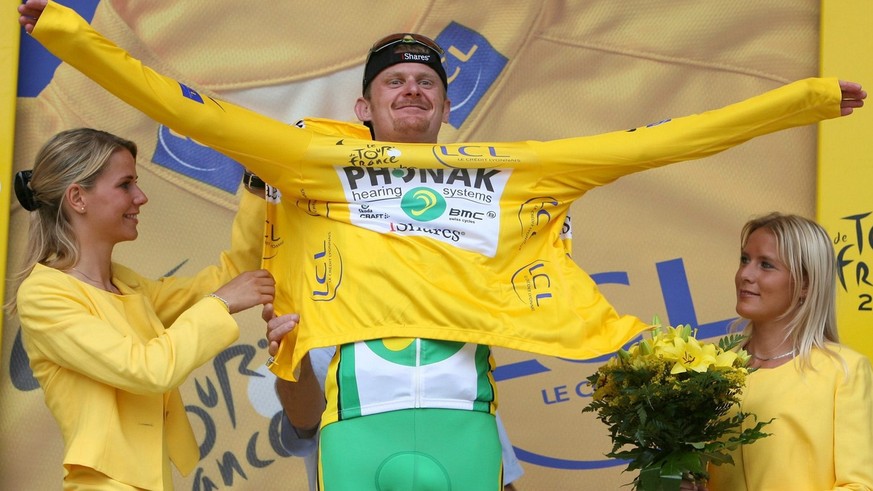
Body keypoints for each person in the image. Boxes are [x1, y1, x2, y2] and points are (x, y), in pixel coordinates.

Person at [17, 2, 866, 489]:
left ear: (444, 104)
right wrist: (63, 31)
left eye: (428, 80)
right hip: (357, 432)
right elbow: (186, 109)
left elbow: (660, 143)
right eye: (395, 81)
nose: (413, 90)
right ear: (368, 107)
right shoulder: (310, 159)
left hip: (467, 425)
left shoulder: (513, 170)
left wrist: (803, 100)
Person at [7, 128, 276, 490]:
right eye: (126, 185)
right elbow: (147, 368)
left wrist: (258, 186)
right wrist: (221, 303)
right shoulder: (43, 295)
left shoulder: (128, 286)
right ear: (78, 198)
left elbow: (231, 277)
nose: (141, 197)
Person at [701, 213, 873, 490]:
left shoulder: (843, 371)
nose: (745, 274)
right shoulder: (710, 368)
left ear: (806, 283)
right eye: (745, 260)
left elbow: (859, 486)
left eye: (766, 265)